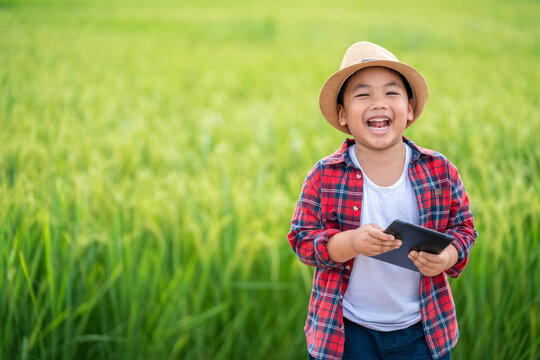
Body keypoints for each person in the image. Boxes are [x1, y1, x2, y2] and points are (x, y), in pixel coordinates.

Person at [287, 42, 477, 360]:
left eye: (391, 93)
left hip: (423, 330)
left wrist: (447, 257)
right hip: (345, 333)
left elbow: (464, 228)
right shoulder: (325, 175)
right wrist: (351, 242)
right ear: (343, 114)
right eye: (363, 94)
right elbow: (302, 240)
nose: (378, 103)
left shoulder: (439, 172)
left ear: (411, 108)